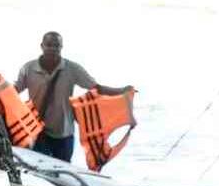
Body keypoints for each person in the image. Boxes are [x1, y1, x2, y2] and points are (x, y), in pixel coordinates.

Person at [17, 31, 132, 162]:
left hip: (64, 133)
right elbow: (15, 90)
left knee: (63, 168)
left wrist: (122, 91)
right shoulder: (28, 68)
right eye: (49, 45)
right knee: (38, 167)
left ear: (61, 48)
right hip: (37, 131)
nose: (53, 49)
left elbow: (96, 88)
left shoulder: (72, 69)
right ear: (42, 46)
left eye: (57, 46)